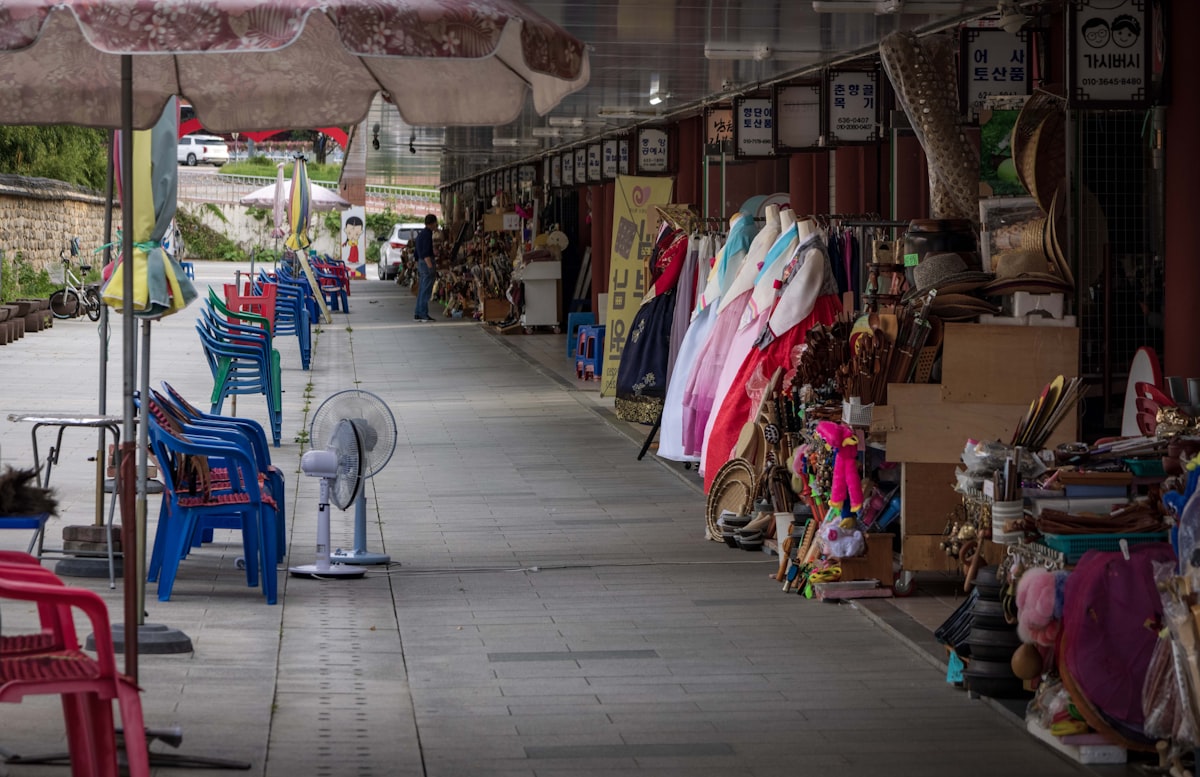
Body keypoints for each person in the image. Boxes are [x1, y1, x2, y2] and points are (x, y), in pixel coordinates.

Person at [413, 213, 437, 322]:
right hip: (426, 262)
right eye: (436, 223)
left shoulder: (421, 234)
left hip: (421, 263)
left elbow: (417, 252)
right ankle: (423, 313)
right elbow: (425, 252)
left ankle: (418, 313)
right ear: (432, 223)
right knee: (426, 290)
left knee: (422, 289)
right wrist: (430, 266)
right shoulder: (427, 235)